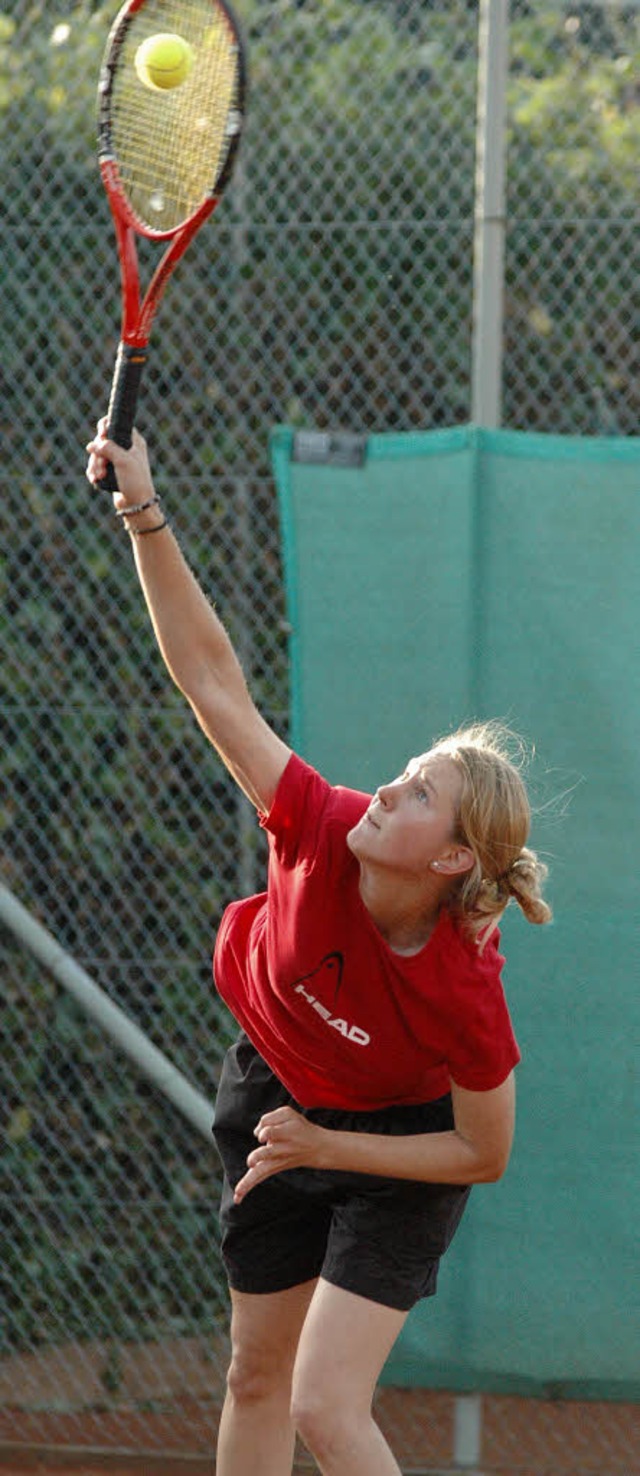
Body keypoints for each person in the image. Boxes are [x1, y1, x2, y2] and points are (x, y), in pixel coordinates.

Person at [86, 422, 552, 1476]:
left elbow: (483, 1153)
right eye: (404, 770)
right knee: (253, 1378)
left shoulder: (463, 987)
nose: (386, 787)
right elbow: (212, 682)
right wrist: (140, 507)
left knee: (325, 1407)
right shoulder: (316, 824)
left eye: (420, 792)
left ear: (449, 862)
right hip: (274, 1093)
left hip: (399, 1150)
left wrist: (329, 1148)